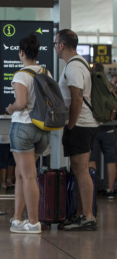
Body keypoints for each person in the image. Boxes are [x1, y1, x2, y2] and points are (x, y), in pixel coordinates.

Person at [6, 33, 51, 234]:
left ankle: (33, 223)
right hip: (42, 130)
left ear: (22, 52)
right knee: (22, 173)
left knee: (29, 175)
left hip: (23, 128)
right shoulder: (45, 72)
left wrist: (10, 108)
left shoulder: (21, 75)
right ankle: (17, 218)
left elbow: (21, 103)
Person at [56, 29, 99, 231]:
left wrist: (71, 125)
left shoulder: (73, 67)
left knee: (81, 171)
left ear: (62, 45)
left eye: (56, 43)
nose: (55, 47)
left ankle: (88, 216)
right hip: (84, 125)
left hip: (80, 125)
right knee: (79, 169)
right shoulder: (79, 63)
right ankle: (82, 214)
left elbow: (77, 99)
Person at [89, 63, 116, 199]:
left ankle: (92, 190)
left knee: (91, 157)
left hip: (94, 125)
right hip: (109, 126)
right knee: (111, 158)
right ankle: (110, 189)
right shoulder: (108, 85)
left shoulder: (91, 83)